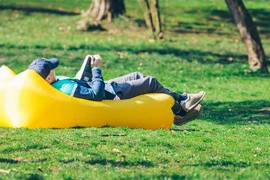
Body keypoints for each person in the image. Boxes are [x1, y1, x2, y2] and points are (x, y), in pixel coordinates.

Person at [28, 54, 205, 126]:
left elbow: (83, 83)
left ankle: (180, 103)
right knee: (150, 82)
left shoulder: (57, 84)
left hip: (106, 87)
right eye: (51, 68)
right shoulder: (65, 88)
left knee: (136, 74)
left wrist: (88, 68)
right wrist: (97, 69)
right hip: (111, 95)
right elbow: (95, 96)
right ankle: (180, 108)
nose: (54, 68)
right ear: (48, 77)